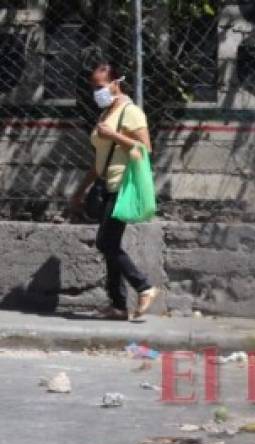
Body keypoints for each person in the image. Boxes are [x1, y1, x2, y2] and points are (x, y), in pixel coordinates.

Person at [70, 62, 159, 320]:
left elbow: (146, 149)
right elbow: (100, 159)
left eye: (99, 86)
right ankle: (118, 306)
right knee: (111, 245)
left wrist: (114, 135)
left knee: (105, 242)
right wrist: (80, 190)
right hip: (107, 184)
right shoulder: (106, 113)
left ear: (114, 83)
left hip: (123, 186)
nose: (95, 92)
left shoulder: (131, 112)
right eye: (93, 87)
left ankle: (144, 287)